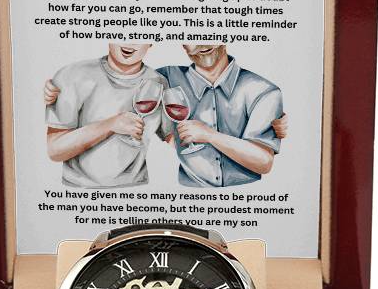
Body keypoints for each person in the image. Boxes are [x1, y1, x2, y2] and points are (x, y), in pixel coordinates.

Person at [45, 42, 288, 188]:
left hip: (247, 194)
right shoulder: (163, 78)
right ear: (182, 44)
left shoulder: (264, 91)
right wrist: (51, 90)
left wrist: (210, 136)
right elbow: (55, 149)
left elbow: (264, 162)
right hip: (84, 191)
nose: (202, 42)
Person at [44, 41, 166, 189]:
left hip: (138, 188)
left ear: (151, 42)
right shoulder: (72, 74)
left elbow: (173, 137)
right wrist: (110, 125)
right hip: (78, 190)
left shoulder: (159, 81)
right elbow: (54, 150)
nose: (130, 42)